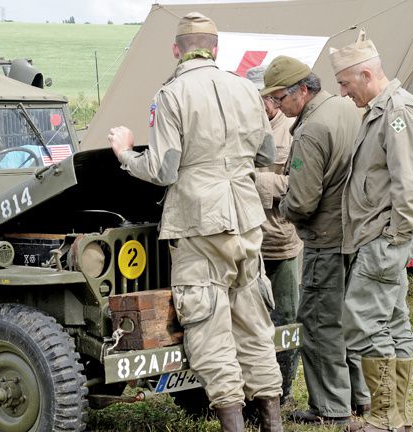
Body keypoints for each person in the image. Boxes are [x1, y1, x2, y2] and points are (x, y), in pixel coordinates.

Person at [107, 12, 284, 432]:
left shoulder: (173, 94)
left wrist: (126, 154)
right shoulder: (245, 88)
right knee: (254, 321)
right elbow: (265, 154)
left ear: (176, 50)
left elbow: (165, 169)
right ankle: (273, 422)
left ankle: (233, 424)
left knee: (209, 328)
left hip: (198, 223)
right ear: (216, 49)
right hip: (246, 218)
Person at [330, 29, 413, 432]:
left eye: (344, 82)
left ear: (366, 75)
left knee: (365, 322)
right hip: (381, 237)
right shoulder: (381, 109)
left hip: (382, 238)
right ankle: (395, 416)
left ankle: (384, 417)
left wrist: (395, 238)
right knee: (392, 321)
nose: (342, 93)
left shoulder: (397, 112)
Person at [260, 55, 368, 425]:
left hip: (324, 238)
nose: (277, 106)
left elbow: (302, 202)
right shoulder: (344, 108)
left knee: (319, 324)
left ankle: (331, 408)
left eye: (280, 98)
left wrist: (281, 207)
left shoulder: (310, 130)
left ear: (302, 91)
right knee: (347, 318)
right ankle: (358, 397)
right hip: (353, 232)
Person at [246, 65, 303, 406]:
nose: (260, 103)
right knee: (250, 319)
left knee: (284, 316)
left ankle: (283, 390)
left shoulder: (294, 133)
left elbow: (300, 184)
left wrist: (255, 181)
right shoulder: (242, 130)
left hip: (280, 239)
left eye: (264, 97)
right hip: (247, 240)